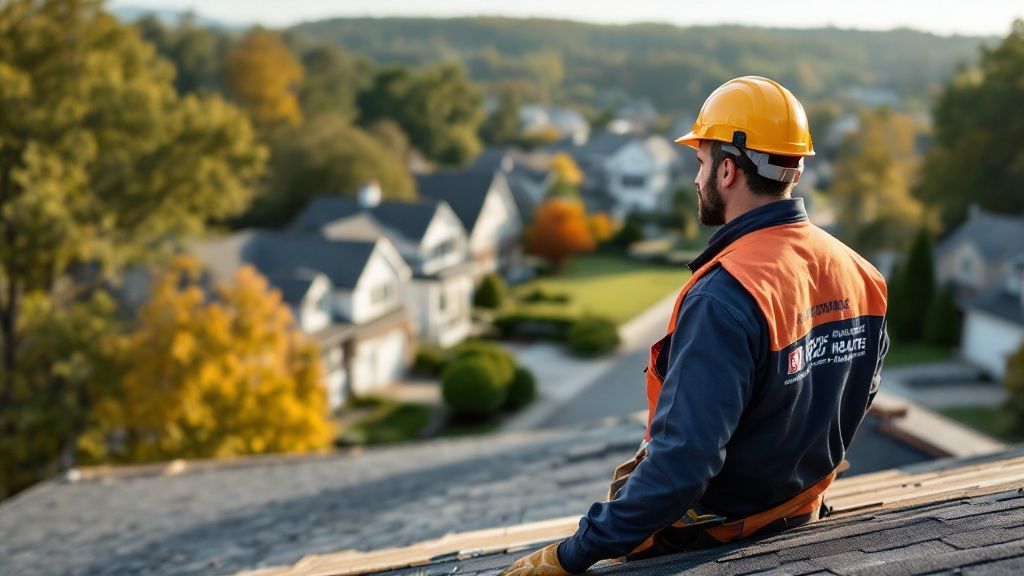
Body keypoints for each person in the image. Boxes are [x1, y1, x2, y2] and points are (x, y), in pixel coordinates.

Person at [500, 76, 889, 575]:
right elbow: (854, 397)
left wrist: (571, 555)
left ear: (727, 171)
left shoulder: (725, 296)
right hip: (800, 514)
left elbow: (682, 466)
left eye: (701, 163)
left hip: (716, 535)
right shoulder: (862, 274)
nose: (696, 177)